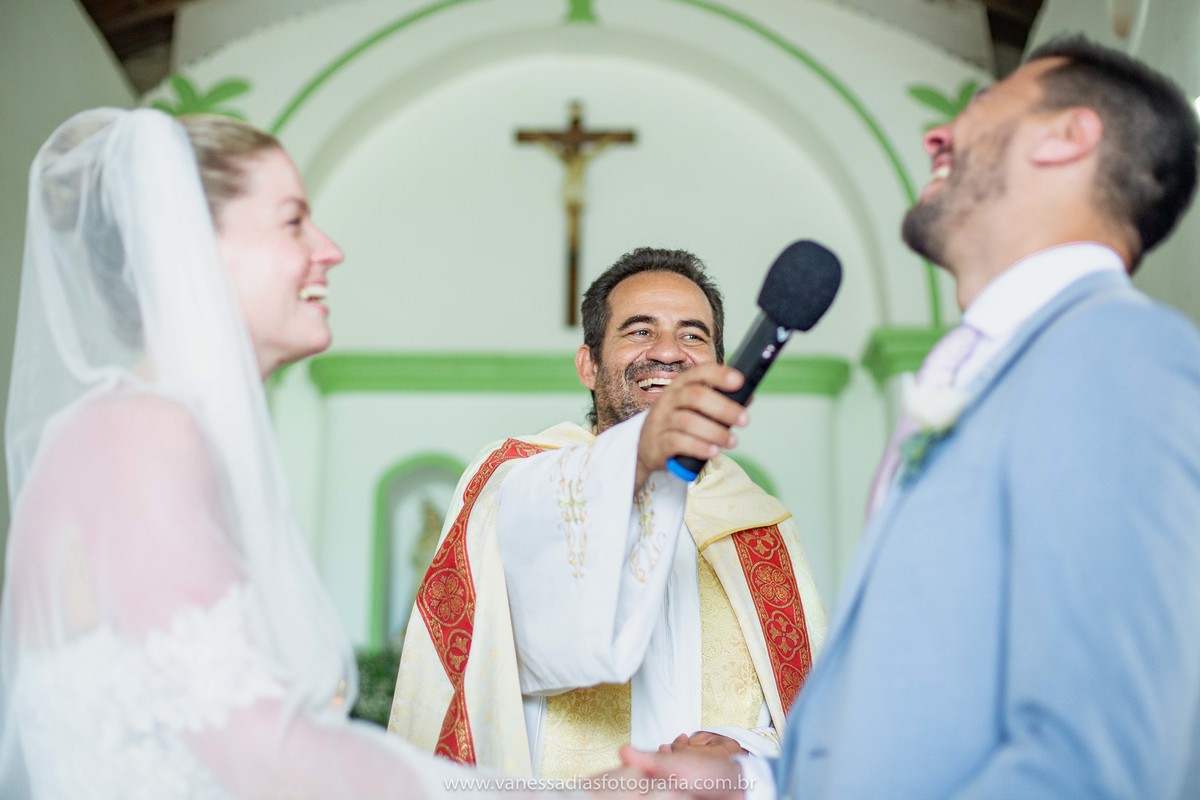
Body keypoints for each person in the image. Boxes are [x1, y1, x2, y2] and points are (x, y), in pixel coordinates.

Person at [621, 35, 1200, 800]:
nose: (937, 133)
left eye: (983, 107)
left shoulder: (1122, 356)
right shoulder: (989, 368)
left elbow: (1098, 756)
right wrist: (751, 779)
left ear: (1069, 136)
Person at [0, 108, 618, 799]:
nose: (328, 249)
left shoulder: (152, 435)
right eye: (293, 221)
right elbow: (267, 758)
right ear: (184, 246)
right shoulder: (138, 437)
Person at [388, 249, 827, 778]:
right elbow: (512, 638)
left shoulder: (759, 524)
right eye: (639, 331)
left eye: (693, 335)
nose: (668, 351)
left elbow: (809, 719)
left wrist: (742, 753)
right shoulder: (517, 479)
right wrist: (640, 453)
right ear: (588, 365)